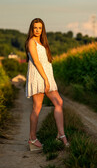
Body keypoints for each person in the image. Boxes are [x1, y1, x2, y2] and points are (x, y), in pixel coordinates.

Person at [25, 18, 69, 151]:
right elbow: (37, 62)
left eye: (40, 28)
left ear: (43, 29)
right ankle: (33, 139)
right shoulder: (31, 42)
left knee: (58, 102)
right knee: (37, 107)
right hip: (39, 76)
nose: (37, 30)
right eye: (35, 28)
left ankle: (61, 135)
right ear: (31, 29)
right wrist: (46, 79)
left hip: (46, 76)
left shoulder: (42, 42)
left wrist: (48, 77)